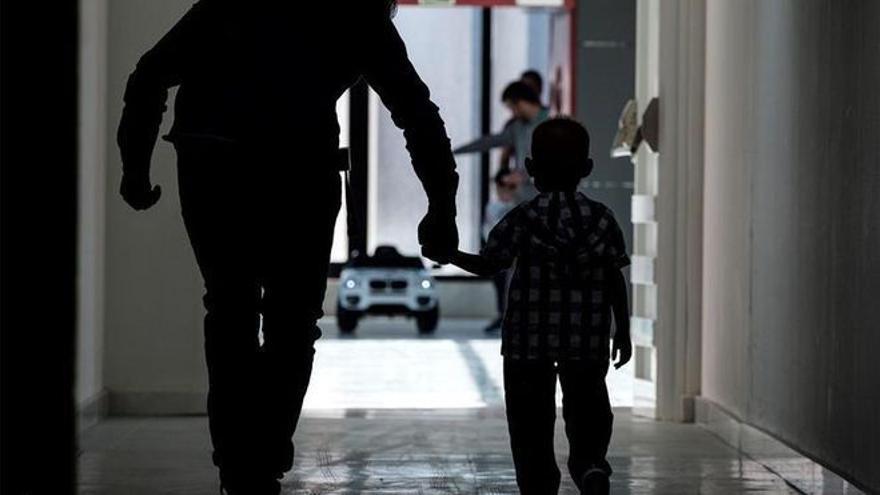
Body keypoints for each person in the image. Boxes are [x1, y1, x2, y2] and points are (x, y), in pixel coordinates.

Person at [116, 2, 459, 494]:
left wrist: (135, 166)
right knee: (292, 323)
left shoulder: (227, 6)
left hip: (213, 165)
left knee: (230, 310)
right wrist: (441, 203)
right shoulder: (353, 16)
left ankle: (239, 464)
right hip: (300, 174)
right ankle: (262, 453)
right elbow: (415, 111)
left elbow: (149, 75)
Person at [450, 118, 632, 495]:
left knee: (529, 422)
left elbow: (489, 264)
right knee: (589, 410)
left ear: (530, 169)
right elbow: (616, 279)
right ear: (587, 169)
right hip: (587, 339)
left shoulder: (522, 218)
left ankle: (538, 485)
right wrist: (624, 332)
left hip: (526, 344)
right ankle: (590, 464)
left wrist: (447, 254)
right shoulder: (602, 219)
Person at [454, 80, 549, 202]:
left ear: (521, 102)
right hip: (528, 199)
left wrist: (525, 176)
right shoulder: (517, 128)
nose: (513, 113)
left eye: (512, 108)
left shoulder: (552, 120)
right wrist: (454, 151)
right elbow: (489, 142)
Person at [482, 168, 521, 333]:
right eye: (503, 185)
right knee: (501, 285)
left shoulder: (520, 204)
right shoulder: (493, 207)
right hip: (500, 254)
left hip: (518, 255)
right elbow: (490, 230)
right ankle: (503, 315)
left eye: (511, 186)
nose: (506, 189)